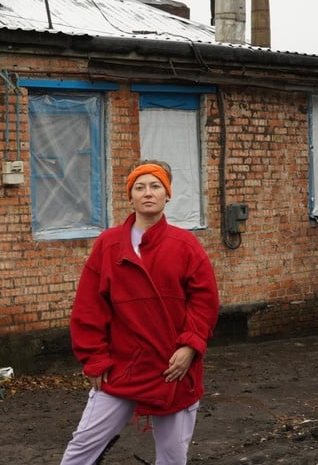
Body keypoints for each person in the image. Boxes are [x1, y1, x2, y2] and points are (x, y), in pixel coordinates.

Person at [60, 160, 220, 465]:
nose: (148, 193)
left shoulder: (185, 245)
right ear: (130, 197)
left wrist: (190, 346)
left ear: (167, 194)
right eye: (140, 187)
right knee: (82, 448)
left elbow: (205, 302)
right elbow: (88, 307)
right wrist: (94, 359)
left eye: (155, 186)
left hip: (172, 369)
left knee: (173, 458)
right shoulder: (108, 245)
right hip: (121, 367)